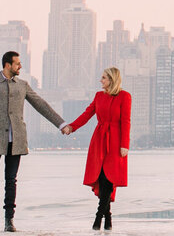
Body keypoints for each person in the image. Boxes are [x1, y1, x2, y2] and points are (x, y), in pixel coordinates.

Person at [0, 51, 67, 232]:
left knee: (11, 181)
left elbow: (41, 105)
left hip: (16, 138)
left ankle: (9, 221)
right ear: (7, 65)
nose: (20, 67)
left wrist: (61, 124)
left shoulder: (22, 85)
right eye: (17, 63)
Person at [63, 66, 131, 231]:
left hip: (115, 142)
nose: (101, 81)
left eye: (104, 78)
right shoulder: (99, 96)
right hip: (99, 140)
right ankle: (108, 219)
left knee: (109, 179)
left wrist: (125, 145)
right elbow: (87, 114)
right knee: (101, 179)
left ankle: (98, 219)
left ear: (111, 80)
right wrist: (71, 127)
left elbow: (126, 121)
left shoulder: (124, 96)